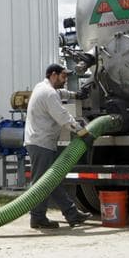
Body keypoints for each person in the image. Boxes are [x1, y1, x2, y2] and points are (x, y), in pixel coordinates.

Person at [24, 63, 92, 229]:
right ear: (53, 75)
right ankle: (37, 218)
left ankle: (71, 214)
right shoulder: (48, 94)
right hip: (41, 143)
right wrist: (83, 133)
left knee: (52, 181)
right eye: (63, 76)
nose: (65, 79)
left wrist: (76, 95)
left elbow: (60, 92)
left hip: (39, 142)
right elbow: (64, 118)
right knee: (42, 183)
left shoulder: (42, 87)